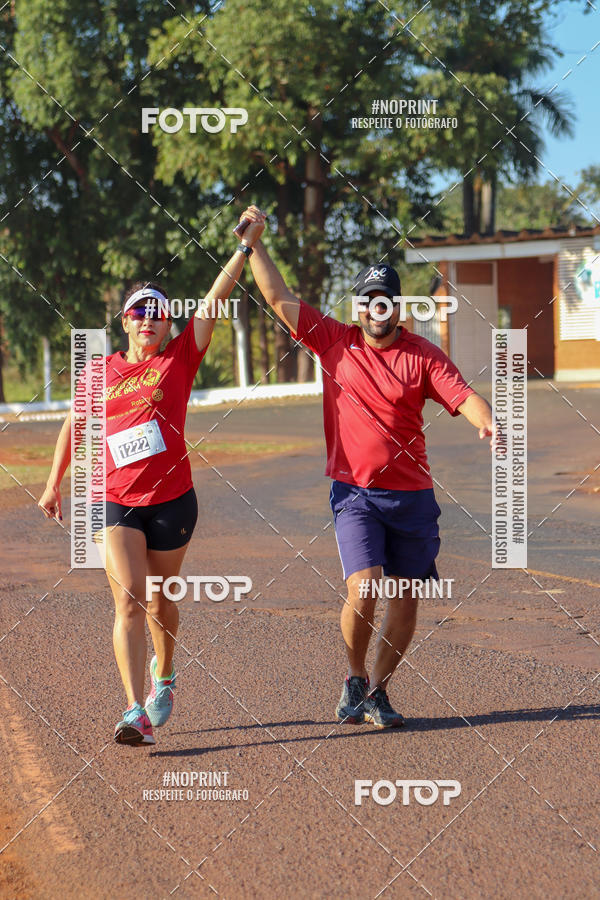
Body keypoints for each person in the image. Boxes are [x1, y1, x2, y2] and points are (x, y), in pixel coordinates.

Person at [238, 204, 494, 729]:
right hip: (354, 492)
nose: (377, 307)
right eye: (368, 299)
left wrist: (487, 422)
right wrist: (256, 245)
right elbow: (278, 299)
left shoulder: (423, 354)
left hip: (413, 497)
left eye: (386, 300)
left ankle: (378, 691)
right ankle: (354, 676)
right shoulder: (334, 342)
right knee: (366, 586)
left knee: (405, 599)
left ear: (398, 307)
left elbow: (462, 394)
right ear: (357, 307)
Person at [38, 222, 264, 745]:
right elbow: (76, 425)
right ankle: (133, 710)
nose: (149, 319)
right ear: (124, 321)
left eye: (158, 312)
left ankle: (166, 674)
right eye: (140, 310)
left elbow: (212, 302)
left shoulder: (179, 358)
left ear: (167, 325)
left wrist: (243, 248)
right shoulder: (99, 371)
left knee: (161, 600)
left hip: (172, 502)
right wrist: (53, 484)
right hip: (113, 499)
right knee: (129, 601)